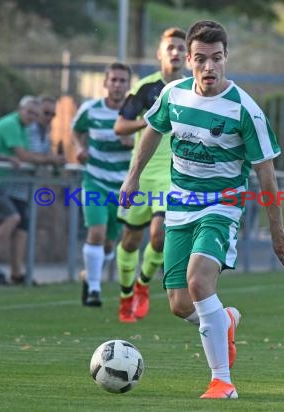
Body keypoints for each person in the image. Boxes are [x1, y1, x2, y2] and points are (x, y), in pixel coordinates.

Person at [119, 20, 284, 399]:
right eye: (200, 59)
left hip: (222, 205)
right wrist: (132, 178)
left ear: (226, 58)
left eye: (216, 59)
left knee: (199, 282)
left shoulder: (245, 110)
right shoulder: (173, 94)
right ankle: (225, 320)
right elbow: (153, 129)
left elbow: (266, 175)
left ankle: (223, 381)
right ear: (188, 60)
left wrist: (276, 229)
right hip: (180, 206)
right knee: (180, 304)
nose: (209, 67)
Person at [113, 27, 187, 322]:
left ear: (188, 55)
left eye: (182, 48)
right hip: (142, 173)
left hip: (173, 175)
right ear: (160, 53)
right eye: (171, 47)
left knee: (158, 235)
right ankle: (125, 295)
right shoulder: (146, 88)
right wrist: (148, 122)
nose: (176, 52)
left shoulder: (191, 90)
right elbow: (120, 126)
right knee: (130, 240)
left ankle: (143, 285)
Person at [72, 62, 133, 308]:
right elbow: (76, 130)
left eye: (122, 81)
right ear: (105, 83)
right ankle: (94, 290)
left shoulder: (135, 113)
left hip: (123, 186)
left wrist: (134, 141)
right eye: (114, 80)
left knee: (110, 242)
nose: (117, 85)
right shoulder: (91, 109)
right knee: (95, 233)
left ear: (129, 85)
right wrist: (79, 148)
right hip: (95, 179)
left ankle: (89, 275)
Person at [0, 95, 63, 285]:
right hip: (5, 185)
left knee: (22, 226)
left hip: (22, 188)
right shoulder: (24, 128)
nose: (48, 117)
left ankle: (16, 271)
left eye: (52, 114)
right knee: (10, 220)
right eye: (45, 113)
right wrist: (50, 160)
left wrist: (51, 161)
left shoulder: (40, 130)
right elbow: (26, 155)